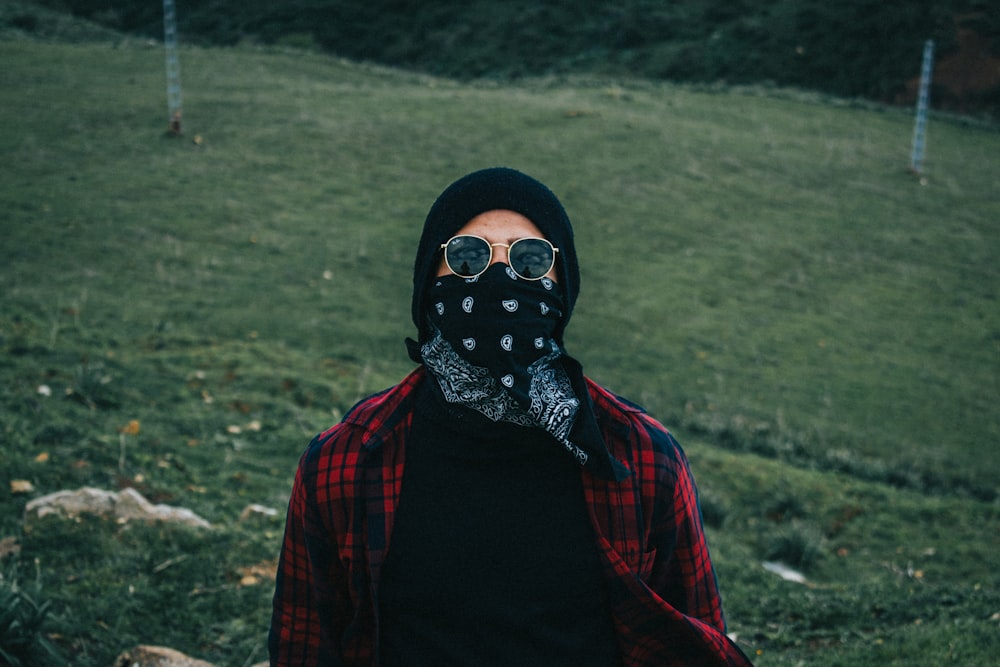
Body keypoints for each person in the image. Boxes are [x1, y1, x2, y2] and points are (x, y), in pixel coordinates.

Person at [269, 167, 753, 666]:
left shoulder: (643, 456)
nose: (497, 277)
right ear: (428, 282)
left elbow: (696, 649)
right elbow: (303, 649)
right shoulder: (344, 462)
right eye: (468, 257)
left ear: (561, 288)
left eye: (529, 260)